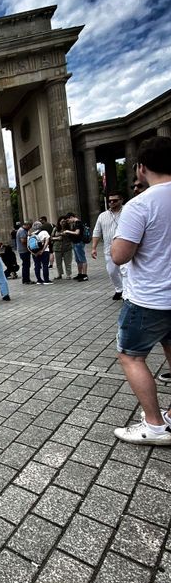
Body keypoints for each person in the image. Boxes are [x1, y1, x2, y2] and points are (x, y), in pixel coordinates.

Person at [110, 136, 171, 445]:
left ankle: (155, 425)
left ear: (142, 168)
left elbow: (120, 255)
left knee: (131, 357)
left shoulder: (141, 204)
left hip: (150, 298)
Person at [91, 193, 124, 300]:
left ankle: (127, 291)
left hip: (125, 247)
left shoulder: (128, 211)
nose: (112, 203)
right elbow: (97, 232)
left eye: (115, 200)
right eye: (110, 201)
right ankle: (119, 289)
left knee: (126, 271)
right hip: (109, 248)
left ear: (121, 200)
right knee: (112, 271)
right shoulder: (102, 215)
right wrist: (94, 248)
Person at [64, 214, 89, 280]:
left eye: (68, 220)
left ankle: (85, 275)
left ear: (71, 217)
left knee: (82, 259)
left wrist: (68, 231)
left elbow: (77, 232)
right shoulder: (75, 223)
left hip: (79, 243)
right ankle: (80, 274)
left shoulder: (78, 223)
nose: (68, 221)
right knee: (78, 259)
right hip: (76, 243)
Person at [28, 221, 53, 285]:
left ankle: (39, 280)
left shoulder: (31, 234)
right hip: (44, 252)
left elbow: (28, 246)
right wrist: (42, 250)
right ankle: (46, 280)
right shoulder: (44, 232)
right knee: (45, 265)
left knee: (37, 266)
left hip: (35, 252)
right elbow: (47, 242)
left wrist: (34, 253)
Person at [16, 220, 33, 285]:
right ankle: (26, 280)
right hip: (24, 250)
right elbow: (23, 241)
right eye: (30, 226)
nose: (30, 228)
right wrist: (30, 241)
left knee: (26, 265)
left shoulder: (22, 230)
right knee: (26, 265)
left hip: (23, 250)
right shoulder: (22, 231)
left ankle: (26, 279)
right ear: (27, 225)